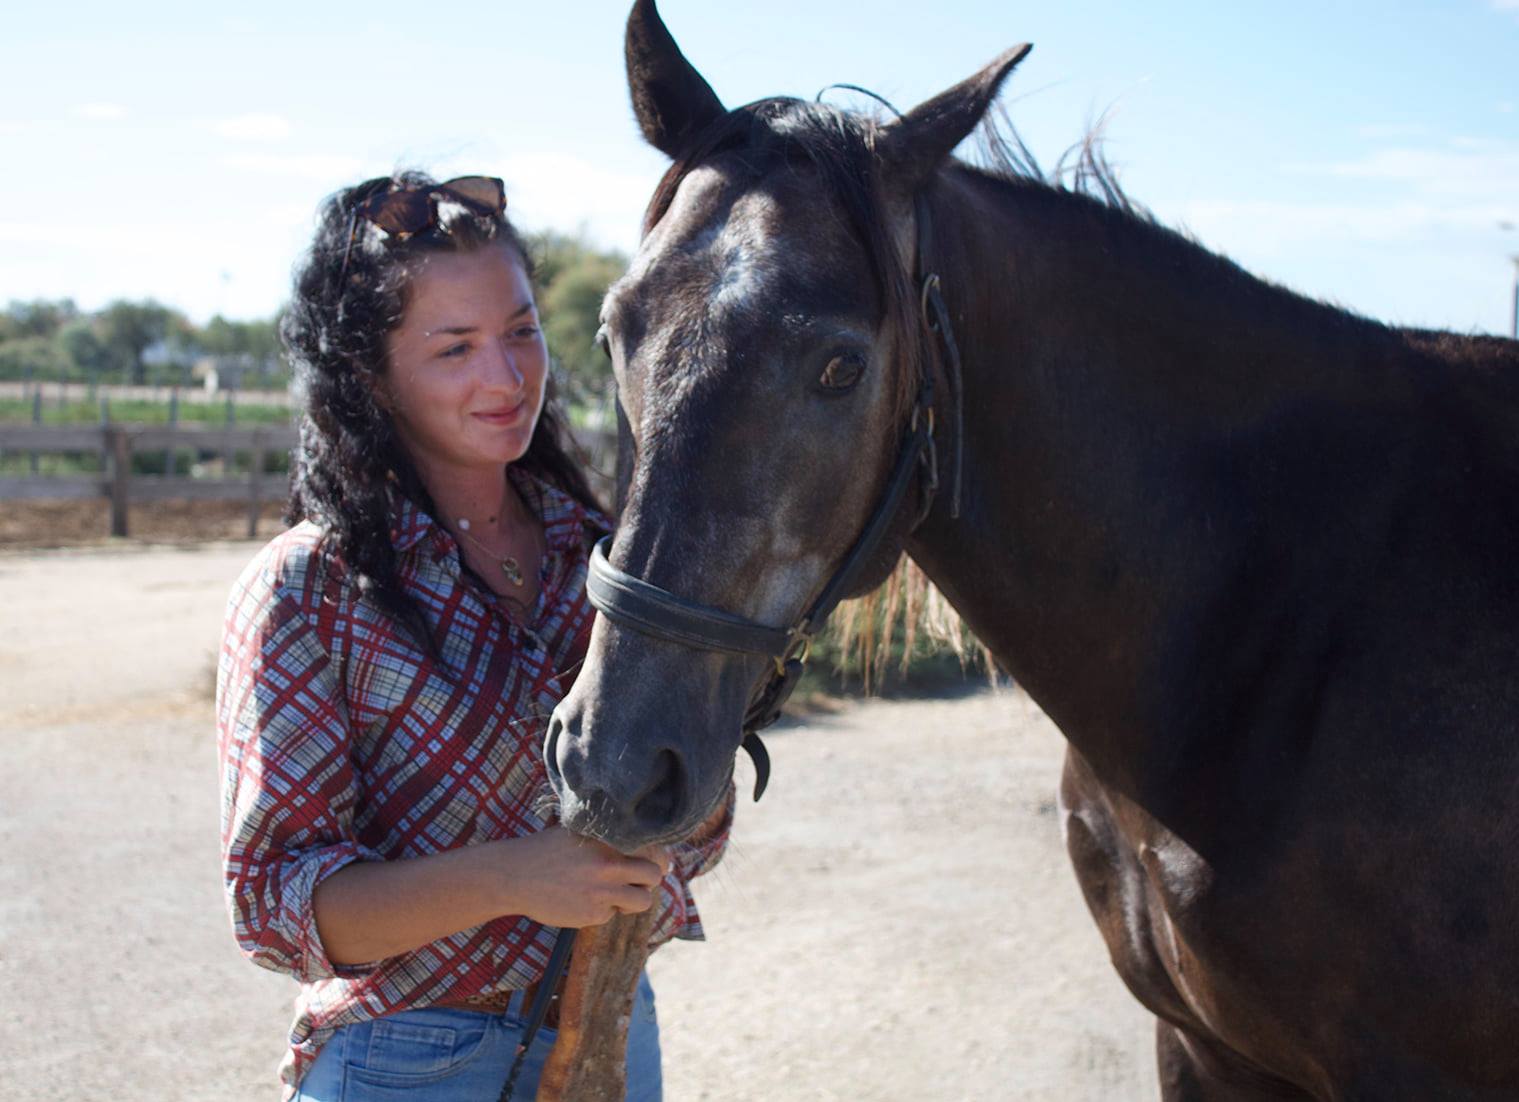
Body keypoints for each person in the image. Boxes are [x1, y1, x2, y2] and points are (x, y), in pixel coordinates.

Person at [215, 171, 731, 1102]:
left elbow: (686, 816)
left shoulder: (604, 559)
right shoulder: (313, 588)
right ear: (370, 373)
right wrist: (515, 877)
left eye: (522, 332)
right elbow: (272, 907)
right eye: (454, 348)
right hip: (406, 1061)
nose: (506, 377)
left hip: (611, 1024)